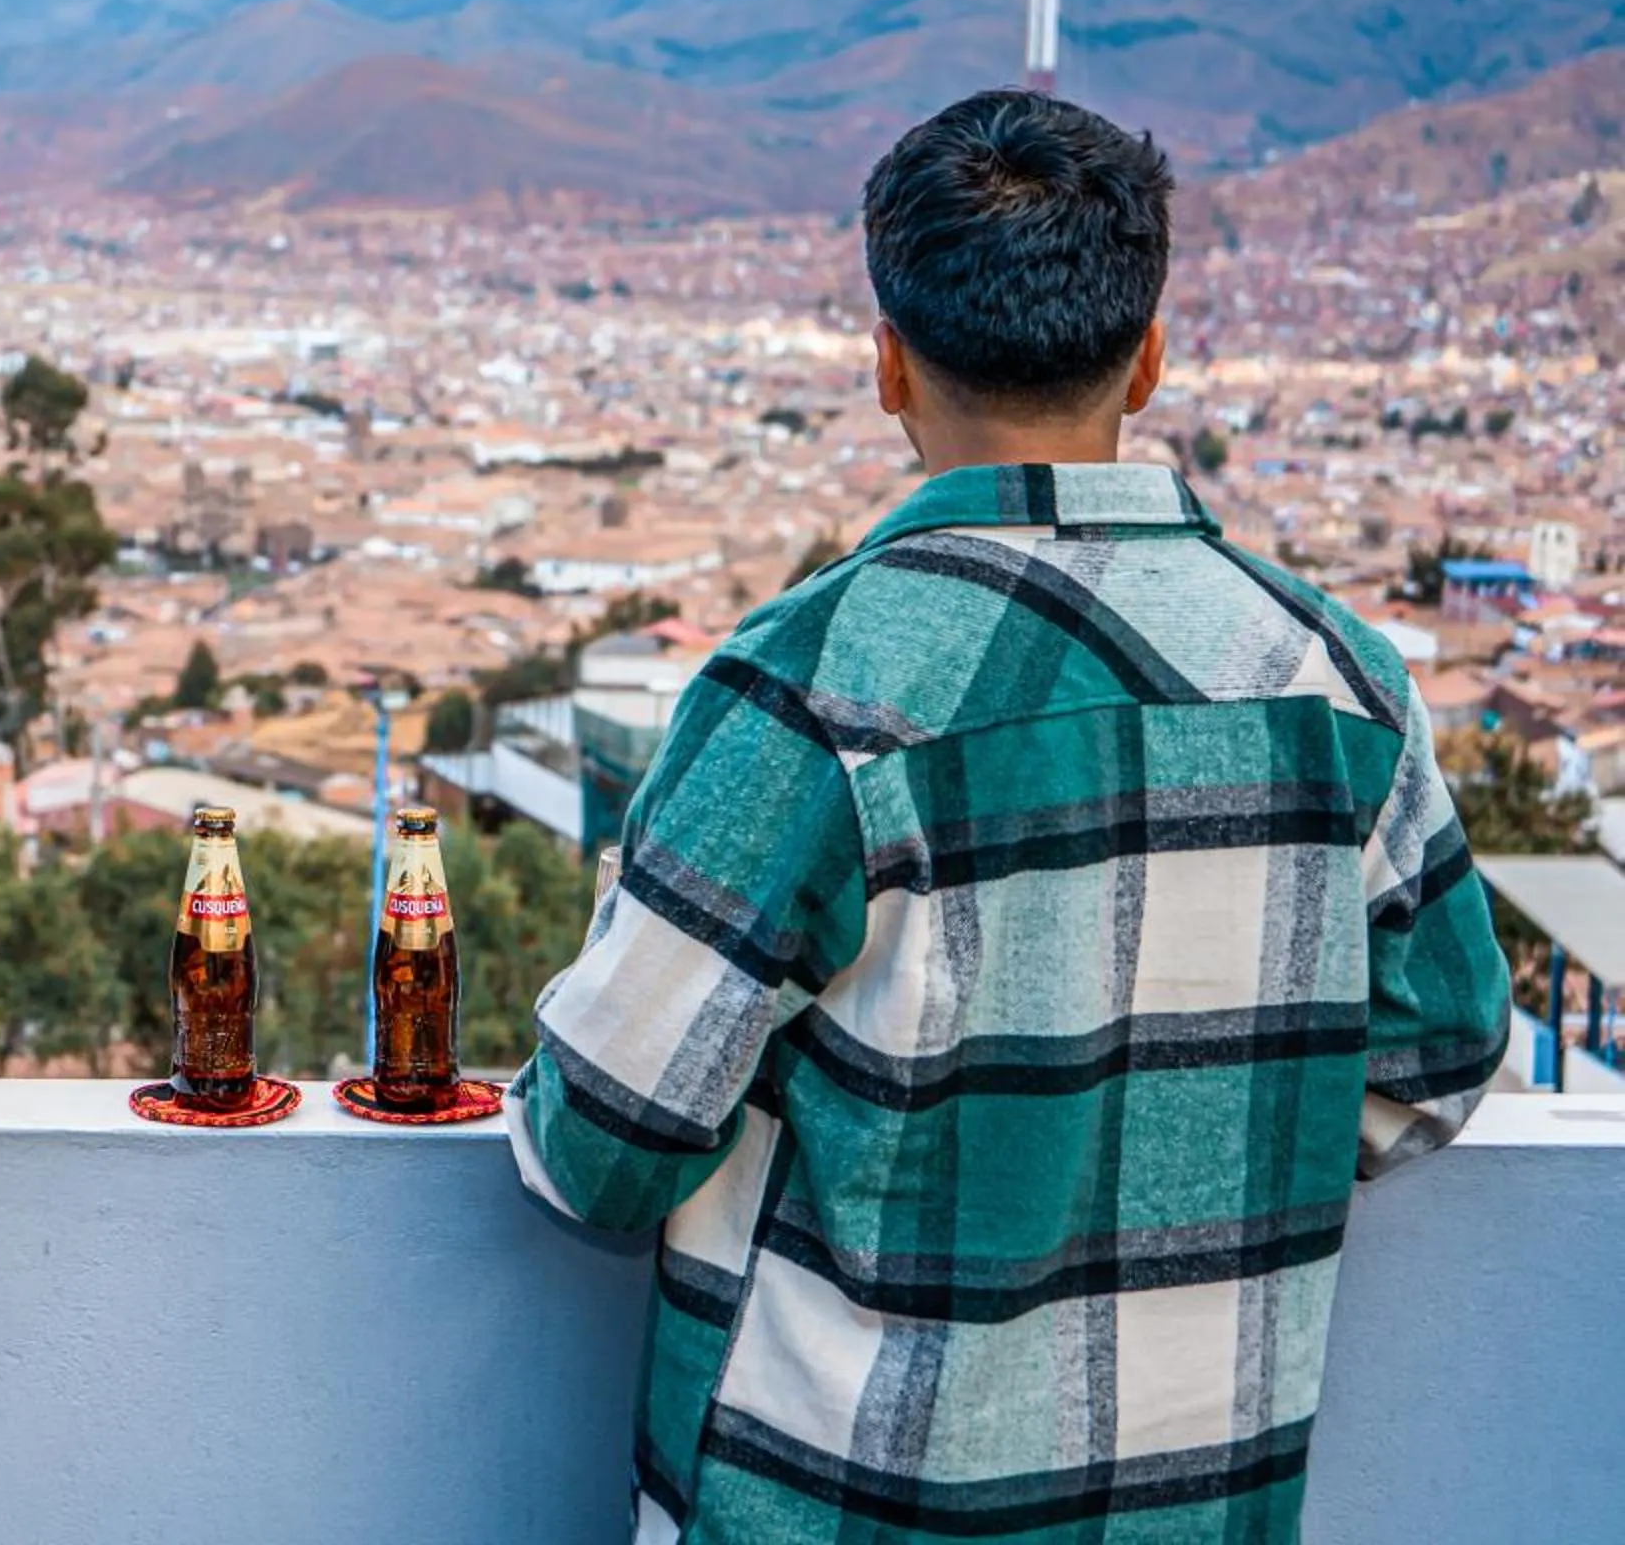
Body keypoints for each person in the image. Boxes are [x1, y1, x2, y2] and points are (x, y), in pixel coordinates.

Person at [508, 89, 1510, 1544]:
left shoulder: (812, 691)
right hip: (1196, 1504)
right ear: (1151, 360)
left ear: (889, 368)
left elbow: (599, 1145)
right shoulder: (1337, 685)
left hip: (833, 1508)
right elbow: (1441, 1054)